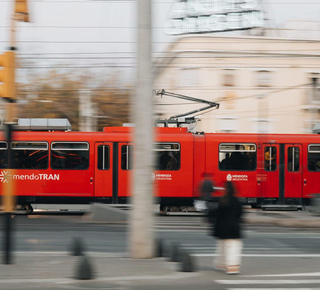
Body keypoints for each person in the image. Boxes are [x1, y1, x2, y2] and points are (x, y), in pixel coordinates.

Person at [211, 181, 243, 275]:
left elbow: (217, 214)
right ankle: (232, 266)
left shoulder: (222, 200)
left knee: (222, 245)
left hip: (222, 229)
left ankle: (220, 263)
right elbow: (239, 214)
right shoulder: (236, 201)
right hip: (232, 228)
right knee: (233, 246)